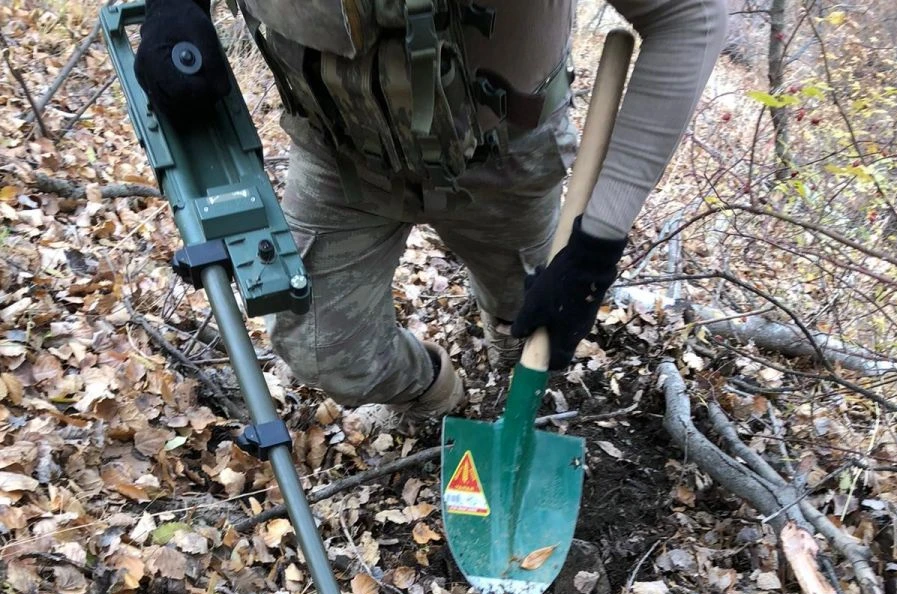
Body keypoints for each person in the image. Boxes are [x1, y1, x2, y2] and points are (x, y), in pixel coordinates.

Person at [135, 0, 729, 424]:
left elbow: (689, 16)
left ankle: (513, 374)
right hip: (339, 156)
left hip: (503, 160)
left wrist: (596, 243)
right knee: (322, 351)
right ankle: (439, 395)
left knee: (527, 313)